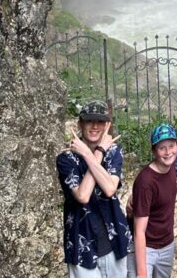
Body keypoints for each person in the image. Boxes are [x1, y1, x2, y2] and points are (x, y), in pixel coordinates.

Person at [56, 100, 131, 277]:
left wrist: (91, 153)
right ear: (80, 123)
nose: (95, 126)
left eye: (100, 122)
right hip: (82, 247)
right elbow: (82, 195)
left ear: (107, 126)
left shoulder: (113, 152)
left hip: (114, 242)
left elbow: (110, 188)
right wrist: (97, 153)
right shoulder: (66, 159)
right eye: (89, 121)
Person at [129, 124, 177, 278]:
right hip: (146, 248)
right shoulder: (146, 182)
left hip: (167, 244)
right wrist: (142, 272)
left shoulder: (172, 167)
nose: (168, 152)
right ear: (153, 151)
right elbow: (139, 231)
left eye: (171, 146)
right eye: (162, 148)